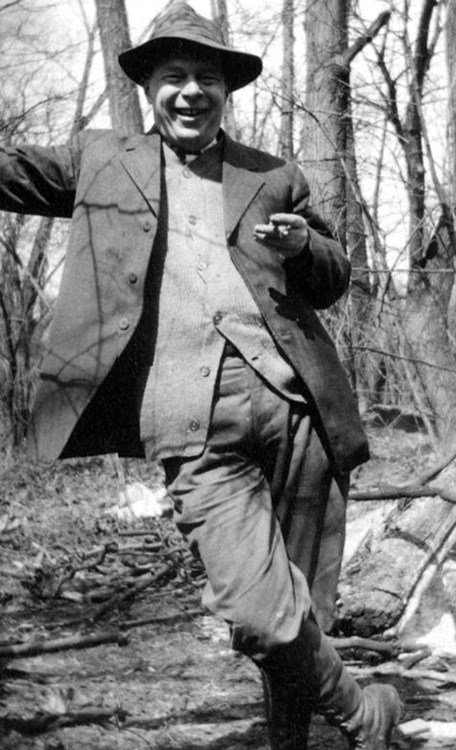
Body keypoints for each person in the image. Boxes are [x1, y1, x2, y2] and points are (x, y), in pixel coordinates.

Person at [0, 3, 403, 747]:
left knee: (303, 606)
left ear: (227, 91)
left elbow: (336, 275)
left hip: (296, 410)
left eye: (206, 78)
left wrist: (302, 247)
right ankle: (361, 711)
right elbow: (11, 172)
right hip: (189, 421)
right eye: (174, 76)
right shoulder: (100, 160)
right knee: (259, 613)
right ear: (149, 88)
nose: (191, 92)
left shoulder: (272, 174)